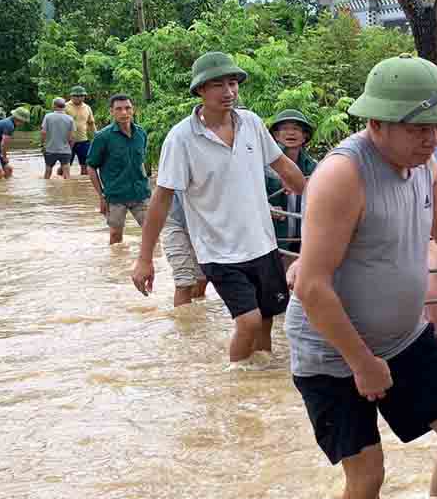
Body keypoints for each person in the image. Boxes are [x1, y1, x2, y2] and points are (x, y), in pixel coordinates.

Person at [284, 54, 437, 499]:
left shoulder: (424, 161)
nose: (432, 138)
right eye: (418, 128)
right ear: (377, 123)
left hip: (405, 339)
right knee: (369, 477)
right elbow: (312, 286)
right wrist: (362, 364)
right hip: (333, 354)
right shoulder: (343, 176)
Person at [131, 51, 307, 363]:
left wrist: (315, 197)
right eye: (217, 85)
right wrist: (144, 258)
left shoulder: (251, 123)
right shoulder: (181, 138)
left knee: (267, 320)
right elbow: (161, 199)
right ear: (199, 90)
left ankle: (253, 392)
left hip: (263, 245)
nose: (228, 92)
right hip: (218, 251)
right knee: (248, 321)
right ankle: (234, 379)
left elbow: (283, 166)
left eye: (232, 83)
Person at [87, 94, 150, 245]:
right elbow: (91, 166)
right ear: (112, 112)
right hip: (115, 196)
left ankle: (154, 264)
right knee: (115, 236)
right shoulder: (102, 137)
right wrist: (101, 195)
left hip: (140, 194)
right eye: (119, 109)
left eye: (127, 108)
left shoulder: (141, 134)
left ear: (133, 110)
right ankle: (116, 265)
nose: (124, 113)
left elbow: (140, 161)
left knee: (152, 232)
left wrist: (147, 185)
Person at [266, 109, 319, 264]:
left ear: (305, 136)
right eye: (284, 129)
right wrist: (268, 206)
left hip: (304, 239)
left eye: (295, 129)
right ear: (275, 136)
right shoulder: (264, 166)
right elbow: (252, 195)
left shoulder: (314, 167)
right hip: (275, 240)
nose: (290, 133)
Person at [161, 191, 208, 307]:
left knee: (201, 279)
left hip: (205, 222)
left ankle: (199, 317)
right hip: (173, 220)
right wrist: (145, 258)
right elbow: (160, 198)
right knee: (183, 281)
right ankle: (185, 323)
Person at [40, 97, 75, 179]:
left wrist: (42, 145)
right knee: (66, 174)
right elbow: (72, 137)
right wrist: (69, 148)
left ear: (54, 105)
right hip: (65, 150)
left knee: (48, 171)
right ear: (64, 106)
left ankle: (47, 190)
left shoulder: (48, 117)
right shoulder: (70, 119)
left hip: (50, 149)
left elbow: (43, 132)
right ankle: (67, 190)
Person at [66, 86, 97, 176]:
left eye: (82, 96)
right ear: (72, 96)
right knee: (66, 165)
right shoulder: (65, 107)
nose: (80, 98)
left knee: (85, 166)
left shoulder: (87, 108)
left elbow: (91, 123)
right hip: (68, 141)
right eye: (77, 96)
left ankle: (82, 184)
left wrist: (97, 135)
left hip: (83, 141)